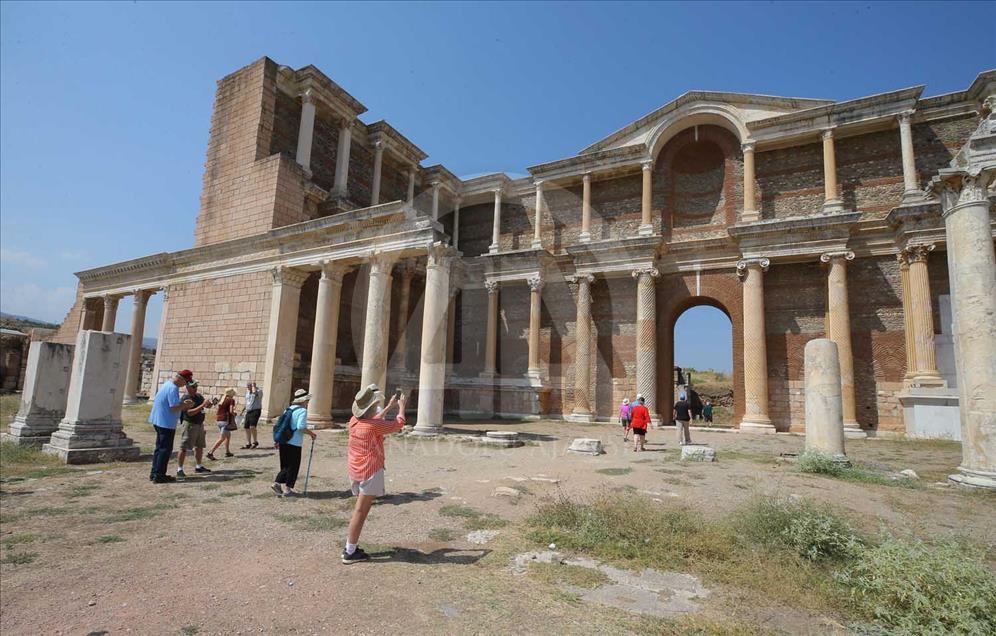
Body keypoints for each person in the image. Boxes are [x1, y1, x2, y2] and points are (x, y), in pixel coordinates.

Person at [342, 384, 406, 565]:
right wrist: (401, 407)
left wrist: (389, 407)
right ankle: (349, 551)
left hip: (356, 470)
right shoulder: (373, 426)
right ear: (370, 408)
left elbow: (373, 420)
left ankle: (351, 547)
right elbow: (398, 424)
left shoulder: (354, 421)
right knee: (360, 511)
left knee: (360, 510)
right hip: (370, 471)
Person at [148, 370, 195, 483]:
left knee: (159, 448)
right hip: (166, 423)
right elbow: (173, 407)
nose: (185, 385)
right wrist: (186, 405)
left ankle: (154, 473)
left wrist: (182, 404)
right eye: (186, 382)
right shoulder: (173, 388)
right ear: (181, 379)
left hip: (159, 420)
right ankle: (159, 475)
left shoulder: (167, 384)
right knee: (165, 450)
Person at [270, 389, 317, 497]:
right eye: (307, 400)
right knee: (293, 466)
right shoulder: (302, 411)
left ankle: (282, 486)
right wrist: (311, 434)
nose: (308, 402)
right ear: (303, 401)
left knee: (285, 465)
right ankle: (284, 488)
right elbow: (300, 427)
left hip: (283, 441)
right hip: (294, 442)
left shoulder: (288, 409)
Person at [176, 381, 213, 478]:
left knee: (199, 446)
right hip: (190, 424)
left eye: (196, 386)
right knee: (184, 447)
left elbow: (204, 407)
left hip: (199, 424)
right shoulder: (186, 398)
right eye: (193, 386)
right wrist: (202, 405)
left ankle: (198, 466)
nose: (196, 388)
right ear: (188, 388)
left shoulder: (199, 397)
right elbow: (189, 413)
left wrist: (209, 404)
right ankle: (179, 469)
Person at [207, 388, 237, 460]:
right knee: (222, 438)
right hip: (225, 420)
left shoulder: (222, 399)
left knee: (228, 435)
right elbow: (231, 410)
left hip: (219, 420)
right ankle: (210, 452)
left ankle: (227, 451)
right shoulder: (231, 400)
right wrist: (234, 414)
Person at [241, 381, 263, 449]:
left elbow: (254, 393)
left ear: (252, 386)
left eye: (249, 386)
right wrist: (243, 409)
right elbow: (248, 401)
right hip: (249, 411)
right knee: (246, 427)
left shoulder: (259, 391)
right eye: (247, 386)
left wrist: (254, 387)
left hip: (256, 410)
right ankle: (248, 443)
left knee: (252, 426)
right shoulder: (247, 392)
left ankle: (255, 442)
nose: (248, 388)